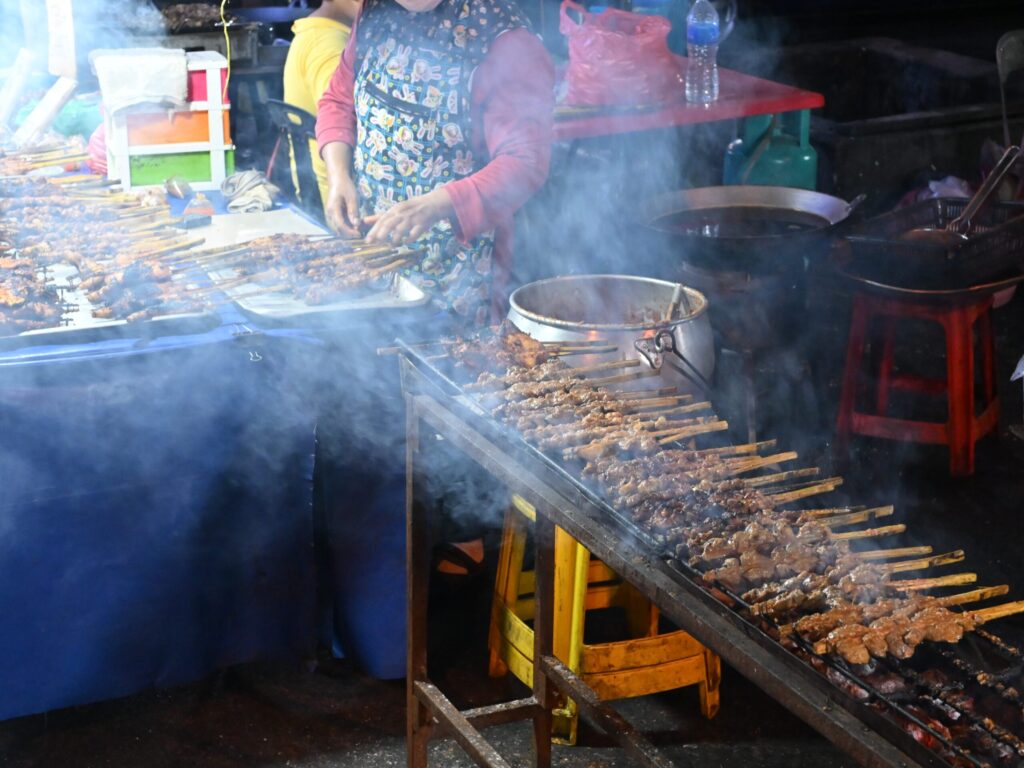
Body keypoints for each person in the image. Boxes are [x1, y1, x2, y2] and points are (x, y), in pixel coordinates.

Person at [315, 0, 554, 325]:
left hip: (458, 283)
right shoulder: (375, 11)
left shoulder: (507, 41)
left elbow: (525, 161)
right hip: (375, 266)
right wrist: (338, 175)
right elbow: (339, 99)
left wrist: (439, 204)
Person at [283, 0, 361, 210]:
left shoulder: (313, 31)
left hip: (322, 193)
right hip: (342, 202)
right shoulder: (328, 44)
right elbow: (341, 116)